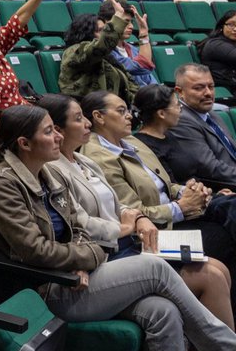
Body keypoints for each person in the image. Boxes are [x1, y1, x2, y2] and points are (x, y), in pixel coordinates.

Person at [0, 104, 236, 351]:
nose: (58, 136)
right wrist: (88, 256)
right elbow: (34, 250)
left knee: (163, 311)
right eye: (49, 131)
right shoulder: (2, 185)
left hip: (78, 274)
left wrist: (81, 256)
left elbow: (77, 225)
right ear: (24, 143)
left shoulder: (44, 174)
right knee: (155, 268)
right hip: (46, 289)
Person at [83, 88, 236, 296]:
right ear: (99, 117)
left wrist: (187, 190)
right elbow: (134, 213)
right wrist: (180, 207)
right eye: (121, 111)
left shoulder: (133, 141)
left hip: (180, 213)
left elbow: (165, 185)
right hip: (155, 232)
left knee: (229, 204)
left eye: (127, 109)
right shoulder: (99, 159)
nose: (129, 115)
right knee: (223, 236)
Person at [155, 64, 236, 188]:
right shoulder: (181, 120)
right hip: (221, 188)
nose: (208, 93)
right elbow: (210, 168)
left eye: (211, 86)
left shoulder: (212, 115)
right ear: (179, 91)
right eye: (199, 88)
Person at [57, 0, 138, 103]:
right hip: (90, 109)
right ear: (85, 33)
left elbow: (129, 82)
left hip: (115, 108)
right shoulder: (74, 51)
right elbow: (99, 48)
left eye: (105, 30)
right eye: (101, 30)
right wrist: (118, 17)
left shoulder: (108, 58)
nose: (104, 34)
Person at [199, 10, 236, 92]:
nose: (235, 29)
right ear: (222, 27)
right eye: (231, 25)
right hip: (224, 88)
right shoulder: (215, 44)